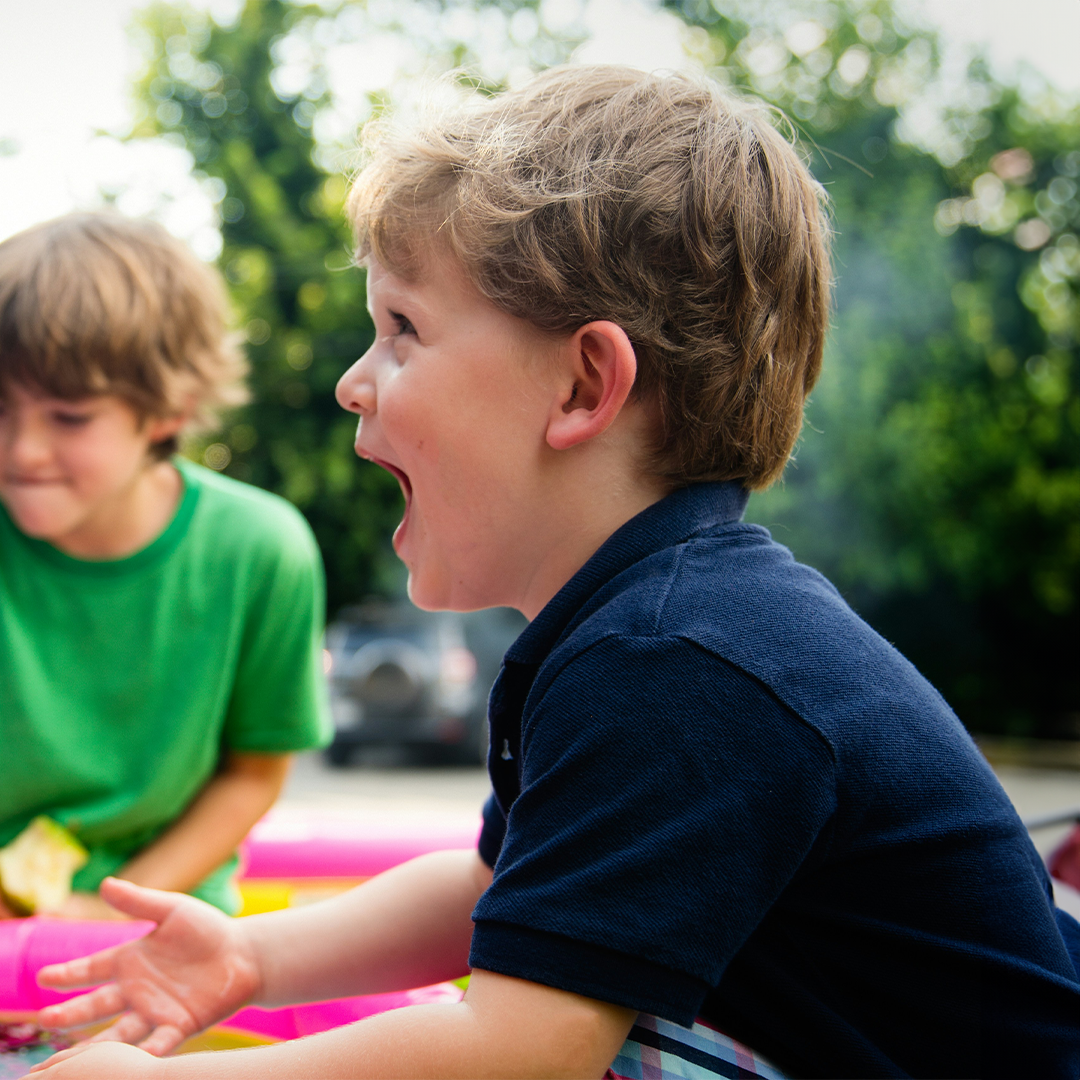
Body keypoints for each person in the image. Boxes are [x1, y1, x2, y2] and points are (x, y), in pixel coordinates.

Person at [29, 68, 1080, 1080]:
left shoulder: (680, 663)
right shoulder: (642, 626)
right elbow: (493, 889)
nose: (354, 382)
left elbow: (524, 1051)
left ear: (584, 386)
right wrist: (255, 960)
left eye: (402, 329)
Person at [0, 213, 330, 919]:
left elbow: (254, 771)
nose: (21, 449)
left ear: (166, 410)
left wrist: (114, 908)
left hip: (162, 917)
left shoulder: (260, 550)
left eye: (68, 416)